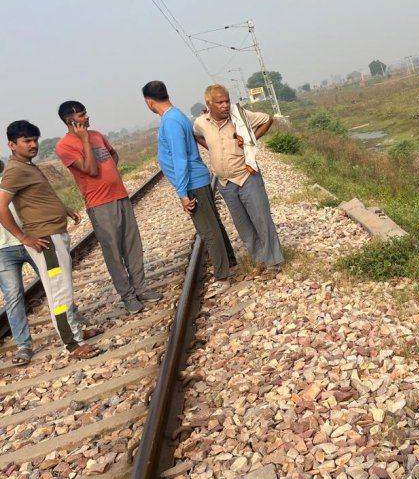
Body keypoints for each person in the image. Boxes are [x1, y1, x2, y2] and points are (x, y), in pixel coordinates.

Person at [0, 121, 102, 361]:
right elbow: (1, 207)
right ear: (12, 145)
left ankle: (77, 330)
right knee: (59, 292)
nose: (33, 144)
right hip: (45, 238)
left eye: (35, 139)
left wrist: (65, 209)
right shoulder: (15, 170)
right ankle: (72, 343)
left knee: (64, 287)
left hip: (54, 233)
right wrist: (23, 237)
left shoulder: (27, 166)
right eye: (27, 141)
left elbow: (38, 197)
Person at [55, 101, 161, 314]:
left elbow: (113, 155)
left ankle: (141, 288)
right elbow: (91, 170)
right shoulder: (64, 146)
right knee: (114, 252)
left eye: (86, 113)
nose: (87, 117)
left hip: (120, 196)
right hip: (99, 204)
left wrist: (110, 171)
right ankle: (128, 296)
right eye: (82, 115)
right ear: (70, 120)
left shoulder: (97, 135)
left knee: (133, 246)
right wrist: (84, 140)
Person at [142, 81, 237, 294]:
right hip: (197, 179)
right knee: (214, 225)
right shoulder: (177, 116)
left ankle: (222, 278)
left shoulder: (171, 122)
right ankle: (229, 262)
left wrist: (182, 192)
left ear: (149, 102)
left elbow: (180, 159)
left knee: (208, 231)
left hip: (193, 181)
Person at [193, 84, 284, 269]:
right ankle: (260, 259)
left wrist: (251, 139)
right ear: (209, 104)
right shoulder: (201, 123)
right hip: (226, 183)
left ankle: (274, 262)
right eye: (220, 102)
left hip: (247, 176)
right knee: (243, 225)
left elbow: (268, 119)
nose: (225, 105)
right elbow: (196, 135)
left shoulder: (240, 116)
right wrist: (211, 148)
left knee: (261, 219)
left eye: (227, 101)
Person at [0, 159, 37, 365]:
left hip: (31, 240)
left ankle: (72, 320)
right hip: (3, 250)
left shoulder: (12, 179)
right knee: (13, 297)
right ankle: (23, 345)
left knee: (54, 283)